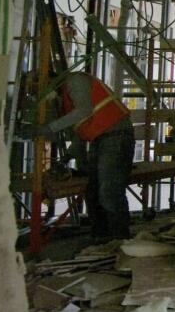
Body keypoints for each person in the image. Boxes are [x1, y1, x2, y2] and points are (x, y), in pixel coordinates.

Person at [19, 71, 135, 239]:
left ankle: (120, 239)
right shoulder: (67, 96)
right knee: (94, 191)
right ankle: (102, 238)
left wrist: (48, 129)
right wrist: (66, 157)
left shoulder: (75, 81)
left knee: (109, 192)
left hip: (115, 135)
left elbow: (84, 111)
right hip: (103, 138)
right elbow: (82, 131)